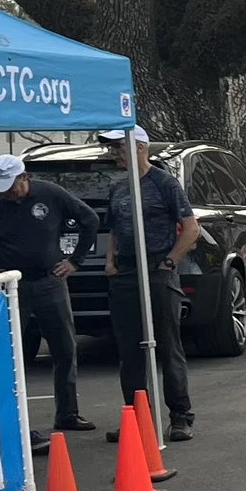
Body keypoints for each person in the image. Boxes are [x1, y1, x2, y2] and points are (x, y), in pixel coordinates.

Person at [0, 153, 99, 432]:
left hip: (50, 280)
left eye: (9, 187)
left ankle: (67, 413)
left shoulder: (50, 194)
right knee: (8, 352)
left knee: (64, 348)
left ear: (24, 178)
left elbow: (89, 219)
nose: (4, 194)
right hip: (10, 285)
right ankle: (8, 419)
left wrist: (75, 260)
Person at [102, 126, 198, 441]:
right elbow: (115, 228)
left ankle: (180, 415)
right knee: (129, 349)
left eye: (118, 147)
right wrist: (111, 261)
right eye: (112, 148)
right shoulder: (118, 188)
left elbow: (190, 228)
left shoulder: (163, 183)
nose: (113, 153)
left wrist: (170, 260)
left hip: (157, 268)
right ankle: (136, 416)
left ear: (139, 147)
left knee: (168, 344)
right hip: (126, 273)